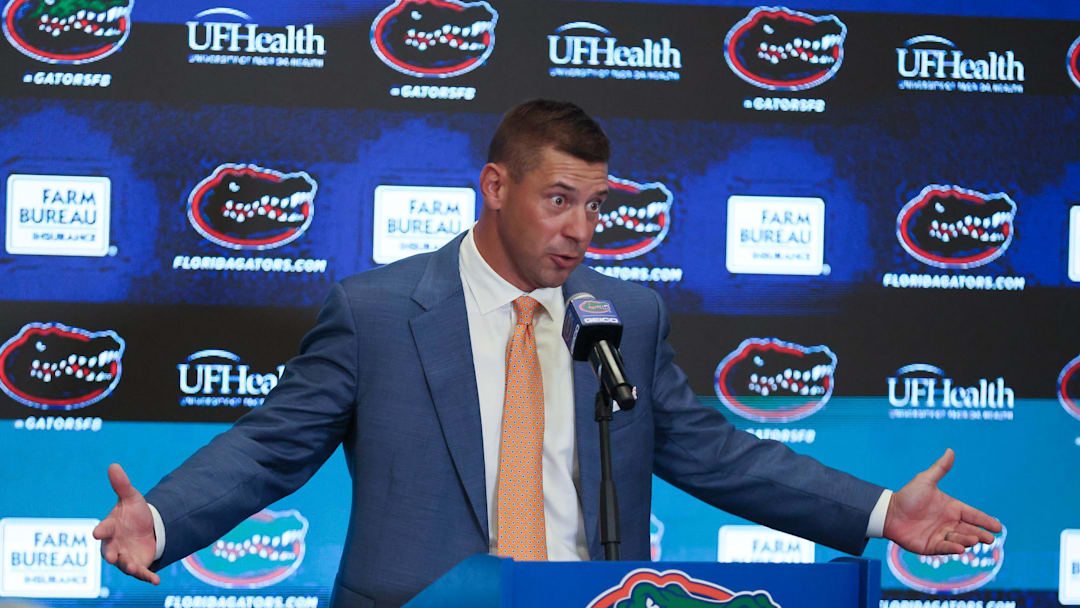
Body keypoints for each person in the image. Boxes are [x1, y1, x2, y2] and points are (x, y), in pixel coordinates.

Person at [93, 100, 1002, 606]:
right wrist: (162, 521)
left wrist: (884, 511)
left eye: (596, 206)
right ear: (495, 187)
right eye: (559, 200)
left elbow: (718, 454)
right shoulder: (375, 312)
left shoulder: (622, 319)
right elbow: (268, 447)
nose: (581, 231)